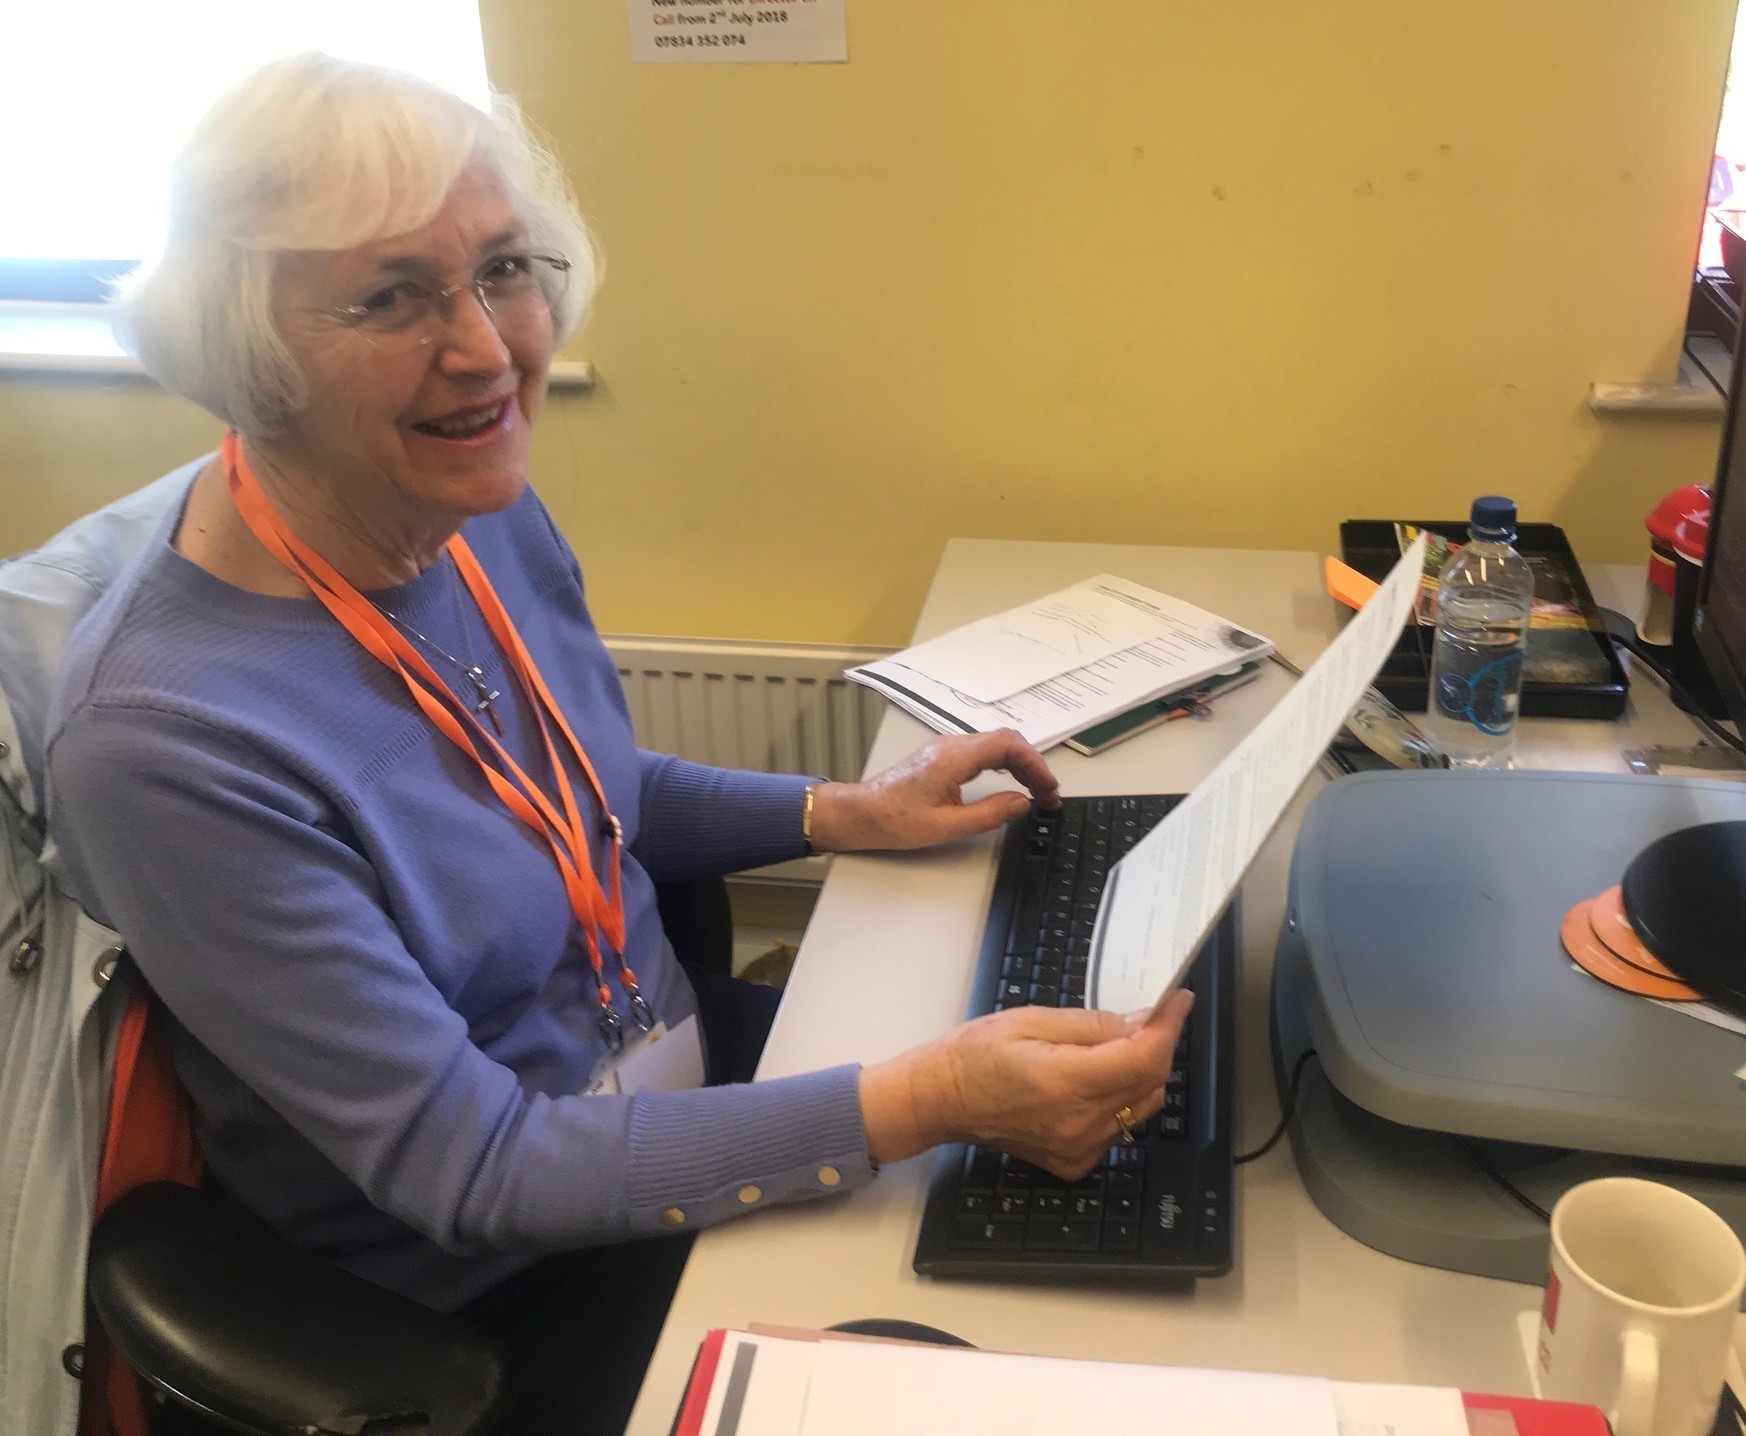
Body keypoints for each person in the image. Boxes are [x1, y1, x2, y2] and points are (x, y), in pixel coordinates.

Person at [45, 54, 1189, 1434]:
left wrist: (840, 812)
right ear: (248, 347)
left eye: (502, 269)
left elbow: (576, 792)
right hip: (492, 1286)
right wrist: (928, 1098)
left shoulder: (466, 500)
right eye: (392, 295)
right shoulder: (164, 742)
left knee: (1139, 1170)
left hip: (674, 1075)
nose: (485, 349)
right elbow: (472, 1165)